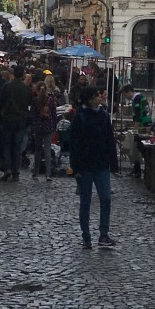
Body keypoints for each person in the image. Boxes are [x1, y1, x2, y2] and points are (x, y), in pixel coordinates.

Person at [69, 86, 118, 249]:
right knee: (85, 202)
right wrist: (75, 168)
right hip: (85, 166)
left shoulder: (104, 115)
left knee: (106, 198)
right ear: (90, 99)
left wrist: (113, 162)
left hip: (102, 164)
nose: (100, 97)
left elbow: (110, 139)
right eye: (97, 95)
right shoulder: (80, 117)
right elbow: (74, 144)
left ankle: (103, 234)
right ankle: (86, 236)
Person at [0, 67, 31, 181]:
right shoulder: (26, 88)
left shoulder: (7, 86)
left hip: (8, 118)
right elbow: (28, 104)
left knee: (7, 144)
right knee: (17, 146)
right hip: (20, 120)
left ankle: (7, 168)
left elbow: (0, 102)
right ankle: (15, 171)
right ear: (23, 75)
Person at [31, 80, 58, 181]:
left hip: (38, 127)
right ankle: (48, 173)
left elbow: (33, 115)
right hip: (49, 126)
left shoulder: (35, 100)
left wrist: (34, 126)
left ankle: (36, 172)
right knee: (47, 149)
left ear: (37, 90)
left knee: (38, 150)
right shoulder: (51, 100)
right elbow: (54, 114)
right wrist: (54, 126)